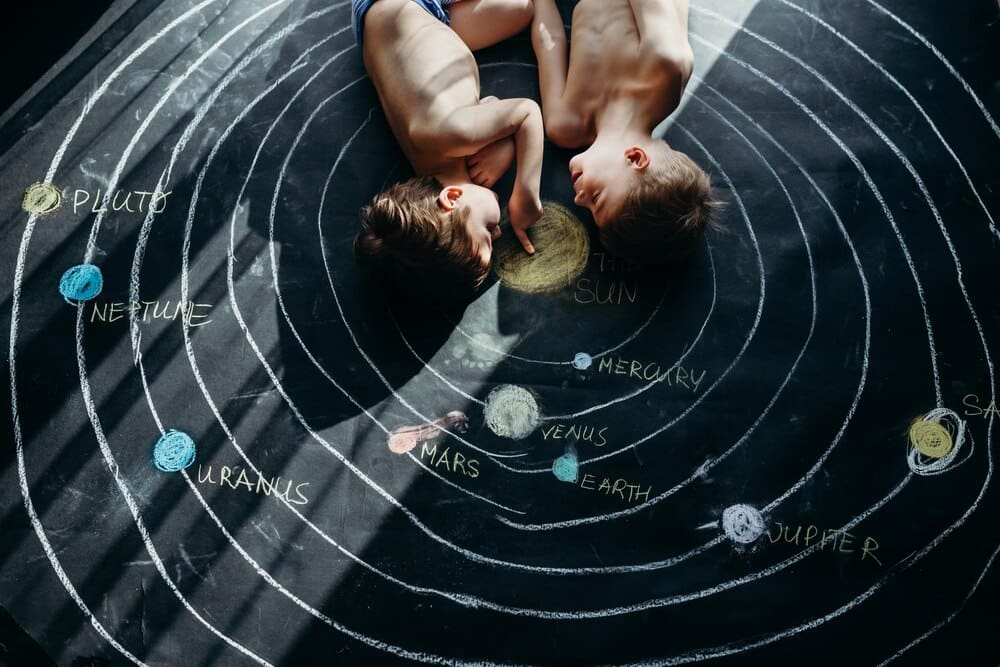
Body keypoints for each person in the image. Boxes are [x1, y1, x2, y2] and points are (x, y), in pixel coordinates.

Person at [353, 0, 544, 301]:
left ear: (452, 197)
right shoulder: (437, 163)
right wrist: (505, 146)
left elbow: (527, 112)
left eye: (487, 232)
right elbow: (491, 108)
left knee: (521, 6)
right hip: (410, 24)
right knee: (520, 11)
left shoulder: (451, 135)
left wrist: (526, 192)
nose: (498, 232)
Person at [531, 0, 722, 265]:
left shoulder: (565, 125)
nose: (578, 198)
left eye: (588, 206)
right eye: (596, 198)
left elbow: (549, 40)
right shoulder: (665, 66)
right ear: (635, 158)